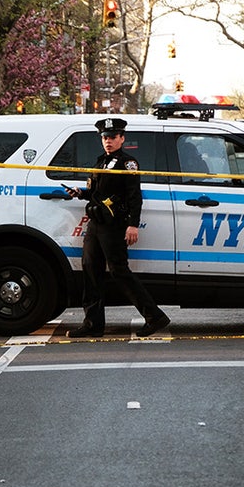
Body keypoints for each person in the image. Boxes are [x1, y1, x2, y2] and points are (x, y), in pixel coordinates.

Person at [65, 117, 170, 338]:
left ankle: (154, 316)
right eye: (105, 137)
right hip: (96, 223)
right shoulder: (101, 162)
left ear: (122, 138)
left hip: (114, 225)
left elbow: (135, 197)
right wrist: (80, 192)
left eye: (113, 137)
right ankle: (93, 323)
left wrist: (133, 225)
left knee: (119, 271)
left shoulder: (127, 163)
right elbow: (96, 193)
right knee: (90, 269)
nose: (108, 141)